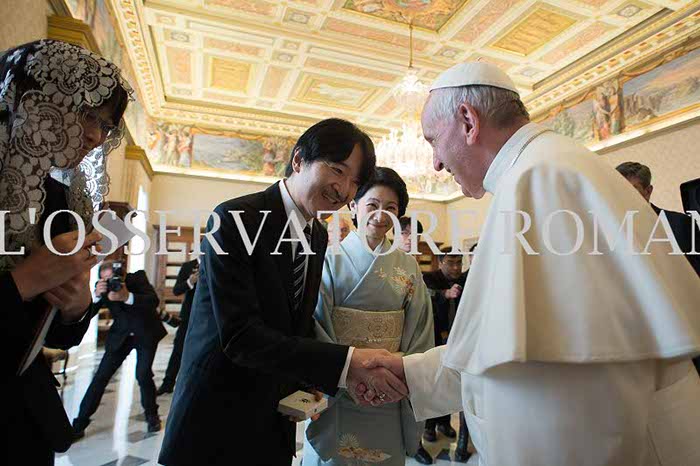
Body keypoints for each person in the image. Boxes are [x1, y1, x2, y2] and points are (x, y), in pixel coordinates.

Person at [359, 62, 700, 466]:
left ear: (468, 121)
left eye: (433, 140)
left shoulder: (540, 179)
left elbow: (567, 392)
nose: (435, 163)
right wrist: (409, 372)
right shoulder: (542, 168)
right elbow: (503, 350)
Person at [159, 119, 410, 466]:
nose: (344, 190)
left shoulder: (316, 235)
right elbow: (241, 336)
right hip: (216, 417)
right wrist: (347, 363)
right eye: (337, 170)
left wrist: (312, 380)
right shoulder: (235, 219)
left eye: (354, 182)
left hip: (274, 417)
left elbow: (297, 323)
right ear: (298, 160)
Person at [0, 39, 131, 465]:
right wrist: (27, 280)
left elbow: (57, 334)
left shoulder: (59, 198)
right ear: (34, 98)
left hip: (23, 421)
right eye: (87, 114)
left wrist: (76, 306)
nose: (95, 136)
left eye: (105, 125)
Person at [302, 167, 434, 465]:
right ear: (353, 206)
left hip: (390, 389)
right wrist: (349, 373)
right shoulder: (328, 259)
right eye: (372, 205)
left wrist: (399, 374)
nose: (381, 215)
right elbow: (317, 323)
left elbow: (420, 329)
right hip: (341, 385)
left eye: (391, 208)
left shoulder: (408, 266)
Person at [72, 261, 165, 436]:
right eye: (106, 280)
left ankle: (152, 416)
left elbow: (153, 301)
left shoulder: (138, 278)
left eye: (113, 278)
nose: (111, 282)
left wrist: (127, 296)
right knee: (101, 377)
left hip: (145, 332)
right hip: (121, 336)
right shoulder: (103, 288)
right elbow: (88, 314)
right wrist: (97, 296)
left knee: (143, 374)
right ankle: (80, 423)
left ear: (122, 274)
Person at [416, 248, 470, 464]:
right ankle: (429, 426)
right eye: (450, 263)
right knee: (432, 384)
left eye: (459, 263)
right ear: (440, 263)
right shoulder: (430, 278)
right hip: (433, 340)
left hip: (457, 343)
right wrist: (444, 294)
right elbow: (424, 293)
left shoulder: (465, 281)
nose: (456, 268)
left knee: (449, 384)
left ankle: (444, 423)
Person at [616, 161, 700, 276]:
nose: (624, 195)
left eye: (631, 190)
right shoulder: (609, 229)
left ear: (648, 191)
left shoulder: (681, 223)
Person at [157, 257, 200, 395]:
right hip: (189, 314)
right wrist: (190, 282)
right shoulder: (188, 266)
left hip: (211, 315)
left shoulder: (217, 263)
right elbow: (176, 290)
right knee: (178, 348)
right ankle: (168, 383)